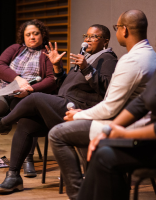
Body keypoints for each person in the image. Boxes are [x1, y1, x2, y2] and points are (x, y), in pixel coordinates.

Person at [76, 1, 156, 200]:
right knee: (104, 149)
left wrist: (122, 134)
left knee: (106, 155)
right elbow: (142, 102)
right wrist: (111, 128)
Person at [48, 10, 156, 200]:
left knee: (57, 134)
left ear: (123, 31)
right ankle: (95, 188)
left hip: (130, 127)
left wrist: (78, 115)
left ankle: (79, 195)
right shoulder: (151, 55)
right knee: (79, 130)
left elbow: (110, 108)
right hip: (133, 121)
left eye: (117, 28)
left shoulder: (131, 60)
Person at [0, 24, 117, 193]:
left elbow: (106, 89)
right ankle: (13, 177)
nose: (87, 40)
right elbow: (64, 86)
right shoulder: (85, 57)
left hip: (79, 110)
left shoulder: (108, 59)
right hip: (64, 103)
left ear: (105, 41)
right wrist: (57, 68)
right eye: (87, 36)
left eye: (94, 37)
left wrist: (86, 68)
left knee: (35, 97)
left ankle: (4, 123)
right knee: (26, 123)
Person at [0, 19, 57, 177]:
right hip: (5, 89)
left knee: (27, 115)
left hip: (29, 94)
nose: (32, 37)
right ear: (23, 37)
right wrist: (18, 79)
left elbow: (52, 80)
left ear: (42, 35)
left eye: (35, 33)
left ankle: (28, 158)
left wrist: (30, 88)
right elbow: (1, 64)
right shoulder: (15, 48)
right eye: (28, 34)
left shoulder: (47, 53)